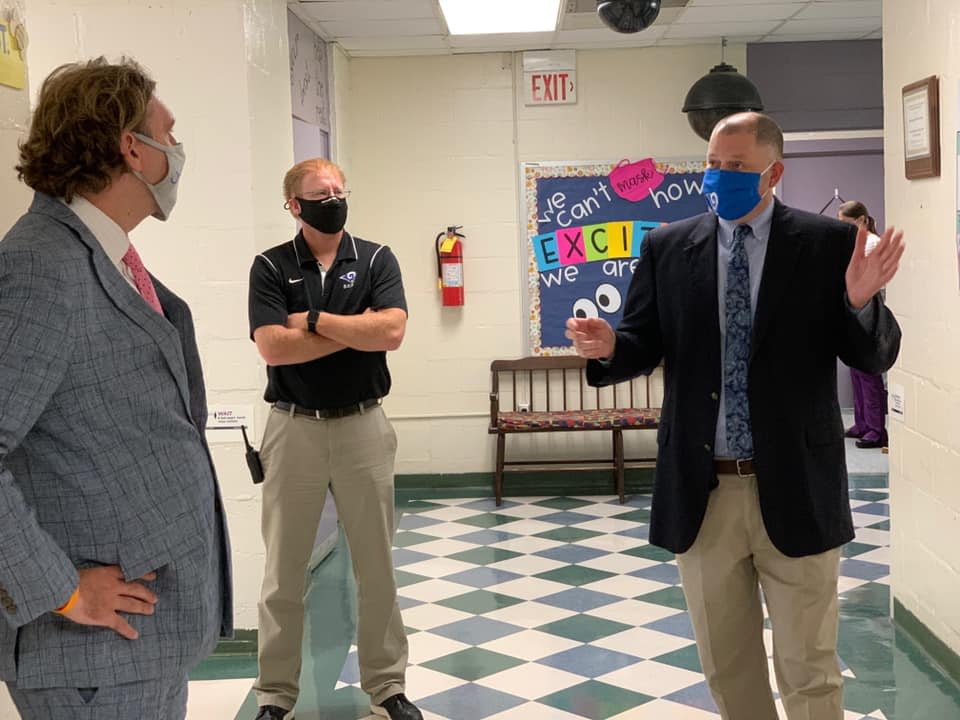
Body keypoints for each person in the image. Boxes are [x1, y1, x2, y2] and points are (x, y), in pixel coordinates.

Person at [566, 112, 903, 720]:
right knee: (728, 669)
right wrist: (611, 347)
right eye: (714, 165)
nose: (720, 177)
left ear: (773, 173)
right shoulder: (669, 246)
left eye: (737, 167)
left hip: (798, 484)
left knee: (810, 669)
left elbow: (872, 355)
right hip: (704, 491)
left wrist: (858, 301)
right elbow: (642, 341)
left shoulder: (825, 245)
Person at [0, 57, 232, 720]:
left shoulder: (102, 254)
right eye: (170, 133)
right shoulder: (41, 268)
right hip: (91, 651)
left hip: (141, 645)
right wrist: (61, 590)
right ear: (131, 147)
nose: (178, 150)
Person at [247, 158, 419, 720]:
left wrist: (314, 321)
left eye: (341, 189)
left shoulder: (375, 258)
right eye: (321, 192)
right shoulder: (270, 266)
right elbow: (273, 347)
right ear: (294, 204)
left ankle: (387, 687)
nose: (334, 198)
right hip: (293, 426)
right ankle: (275, 694)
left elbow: (391, 330)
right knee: (283, 573)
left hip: (363, 424)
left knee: (377, 566)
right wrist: (355, 328)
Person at [838, 200, 889, 449]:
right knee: (856, 371)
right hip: (855, 311)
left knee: (869, 373)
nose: (843, 228)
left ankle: (876, 429)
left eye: (847, 224)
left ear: (861, 221)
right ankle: (862, 423)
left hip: (869, 310)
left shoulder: (872, 244)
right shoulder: (856, 244)